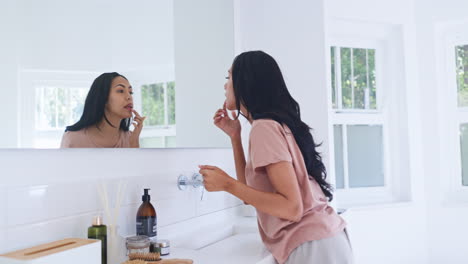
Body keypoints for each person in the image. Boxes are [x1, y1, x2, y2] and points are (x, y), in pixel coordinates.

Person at [199, 51, 353, 264]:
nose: (225, 86)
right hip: (323, 240)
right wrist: (235, 137)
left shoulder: (264, 128)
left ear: (246, 81)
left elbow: (291, 208)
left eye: (229, 78)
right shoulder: (272, 125)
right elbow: (250, 195)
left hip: (313, 245)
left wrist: (227, 184)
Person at [60, 72, 145, 148]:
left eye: (130, 92)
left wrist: (134, 144)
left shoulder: (130, 139)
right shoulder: (73, 139)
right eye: (120, 91)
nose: (129, 97)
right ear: (103, 98)